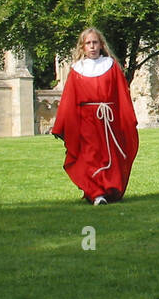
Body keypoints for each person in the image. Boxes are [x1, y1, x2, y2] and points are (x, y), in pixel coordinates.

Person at [51, 26, 139, 206]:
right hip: (87, 121)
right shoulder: (77, 70)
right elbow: (69, 99)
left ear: (101, 45)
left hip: (108, 120)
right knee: (89, 156)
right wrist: (63, 124)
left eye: (95, 42)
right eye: (88, 43)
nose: (92, 46)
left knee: (109, 156)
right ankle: (95, 192)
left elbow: (122, 94)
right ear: (82, 47)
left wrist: (126, 119)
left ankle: (108, 189)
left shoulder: (111, 66)